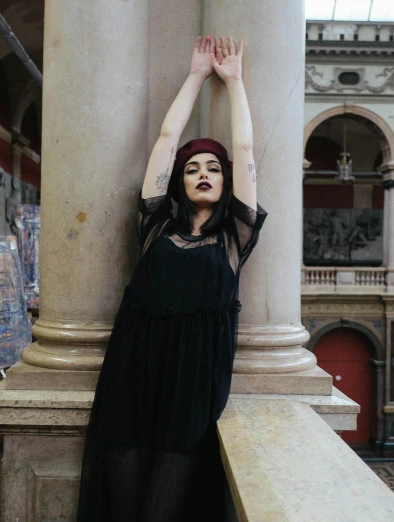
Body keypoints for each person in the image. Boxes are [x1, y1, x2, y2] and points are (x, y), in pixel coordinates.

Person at [77, 35, 266, 521]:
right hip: (132, 368)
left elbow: (244, 146)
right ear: (179, 184)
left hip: (193, 383)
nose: (202, 174)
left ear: (225, 182)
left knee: (163, 510)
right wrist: (196, 75)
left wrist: (235, 81)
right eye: (191, 170)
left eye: (212, 170)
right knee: (122, 501)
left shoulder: (233, 239)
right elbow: (165, 141)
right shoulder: (156, 225)